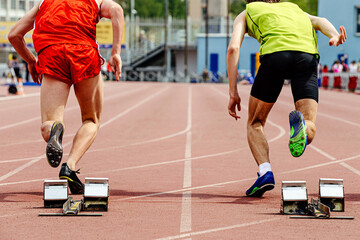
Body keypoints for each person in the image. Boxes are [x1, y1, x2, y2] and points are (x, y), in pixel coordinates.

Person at [227, 0, 346, 197]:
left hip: (275, 56)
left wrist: (233, 92)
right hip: (306, 57)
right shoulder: (294, 8)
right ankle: (303, 128)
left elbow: (233, 48)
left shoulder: (247, 12)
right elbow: (320, 20)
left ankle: (265, 172)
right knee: (310, 122)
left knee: (255, 122)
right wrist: (333, 35)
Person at [8, 0, 124, 194]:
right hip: (83, 54)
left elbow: (14, 35)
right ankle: (69, 165)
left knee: (49, 122)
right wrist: (116, 52)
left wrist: (31, 60)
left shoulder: (44, 2)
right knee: (91, 119)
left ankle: (54, 128)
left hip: (52, 55)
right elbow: (117, 10)